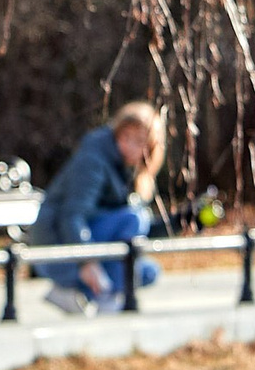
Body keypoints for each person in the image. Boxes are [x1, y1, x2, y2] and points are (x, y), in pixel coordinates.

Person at [29, 101, 165, 314]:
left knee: (147, 271)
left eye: (140, 142)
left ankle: (74, 293)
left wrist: (183, 220)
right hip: (57, 248)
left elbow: (139, 233)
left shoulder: (125, 170)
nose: (131, 146)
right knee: (134, 219)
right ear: (117, 133)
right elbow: (72, 216)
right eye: (126, 137)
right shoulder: (94, 159)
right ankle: (105, 297)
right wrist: (86, 261)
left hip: (82, 242)